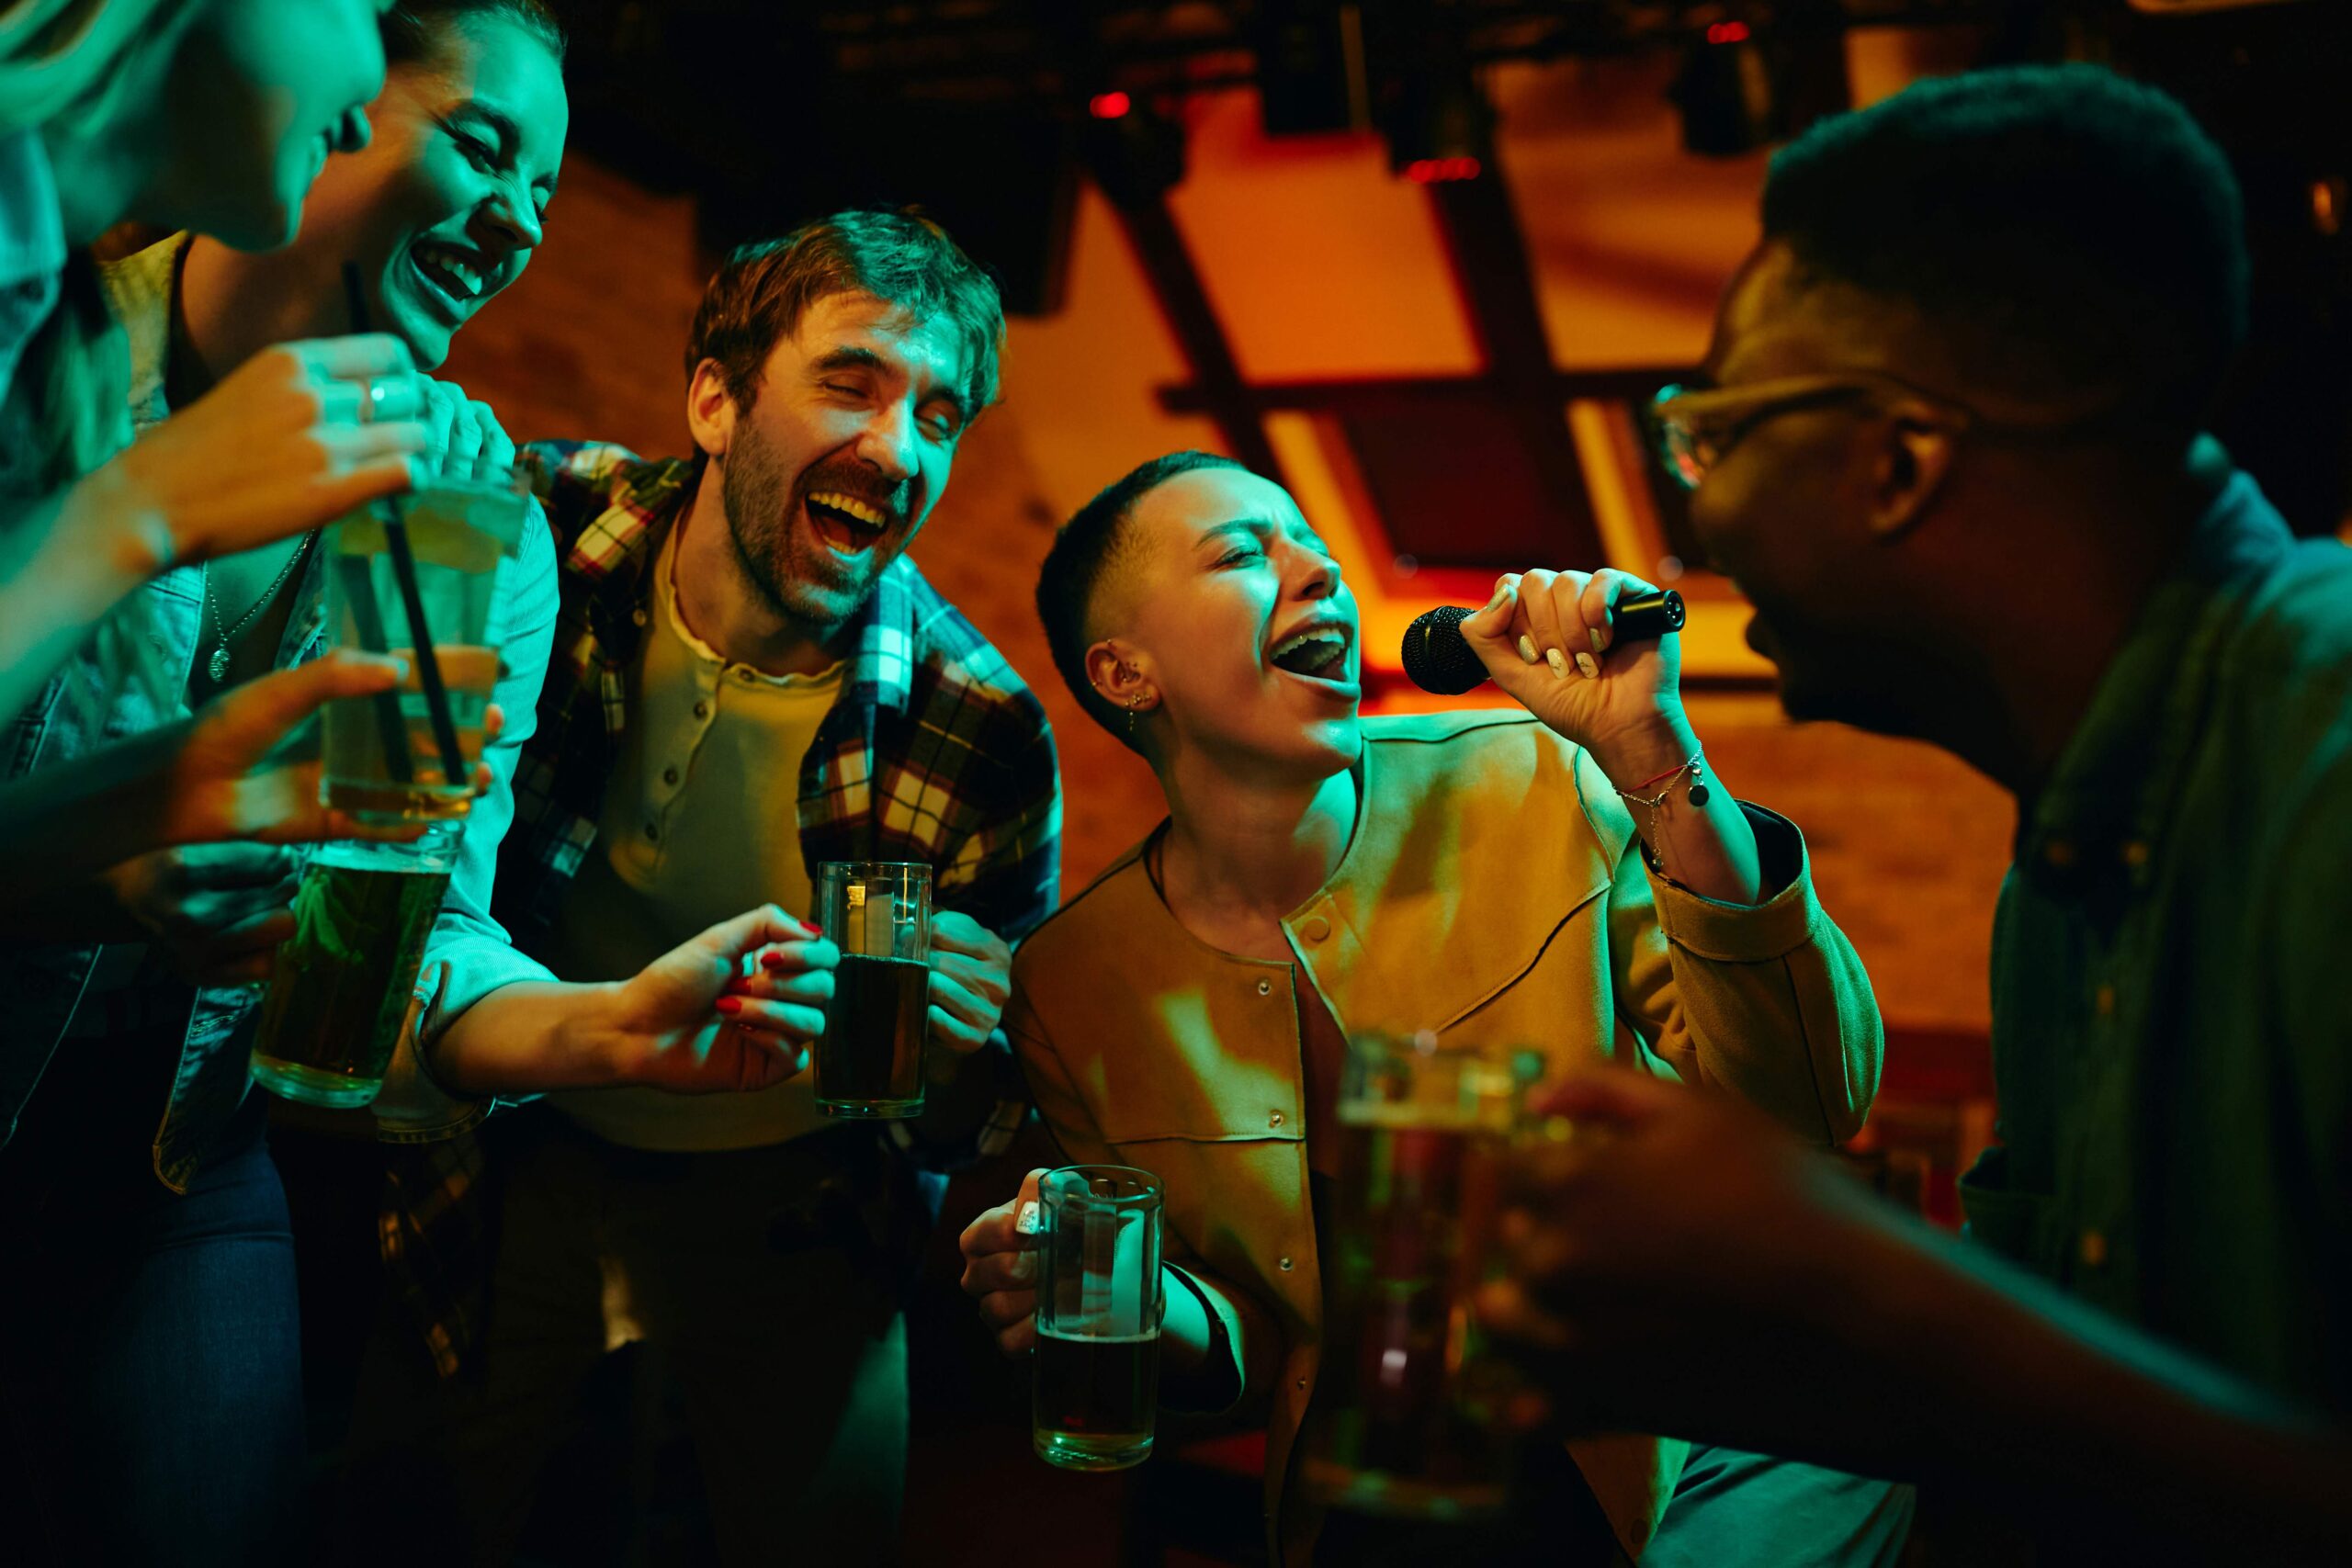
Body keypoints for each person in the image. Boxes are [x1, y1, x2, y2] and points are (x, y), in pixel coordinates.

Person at [1475, 62, 2352, 1561]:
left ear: (1896, 460)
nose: (1696, 518)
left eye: (1712, 435)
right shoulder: (2068, 857)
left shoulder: (2324, 759)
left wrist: (1857, 1278)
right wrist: (1727, 1341)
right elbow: (2083, 1409)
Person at [958, 452, 1905, 1564]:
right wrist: (1142, 1304)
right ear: (1125, 673)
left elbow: (1808, 1102)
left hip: (1704, 1433)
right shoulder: (1072, 983)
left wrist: (1651, 750)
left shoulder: (1537, 778)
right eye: (1241, 554)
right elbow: (1259, 1353)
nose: (1318, 569)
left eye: (1312, 541)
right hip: (1396, 1491)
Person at [344, 209, 1062, 1566]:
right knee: (409, 1512)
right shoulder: (538, 528)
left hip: (792, 1203)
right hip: (518, 1140)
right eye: (851, 383)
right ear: (715, 401)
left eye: (939, 416)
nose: (899, 449)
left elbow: (961, 1124)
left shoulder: (982, 725)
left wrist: (960, 1051)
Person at [0, 7, 616, 1563]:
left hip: (180, 1156)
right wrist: (114, 850)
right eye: (482, 145)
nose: (519, 222)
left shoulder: (473, 518)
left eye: (546, 192)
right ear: (340, 101)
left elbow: (423, 922)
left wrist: (604, 1025)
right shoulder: (45, 340)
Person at [1, 0, 428, 719]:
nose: (364, 112)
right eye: (368, 12)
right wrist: (148, 499)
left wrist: (193, 772)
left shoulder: (55, 325)